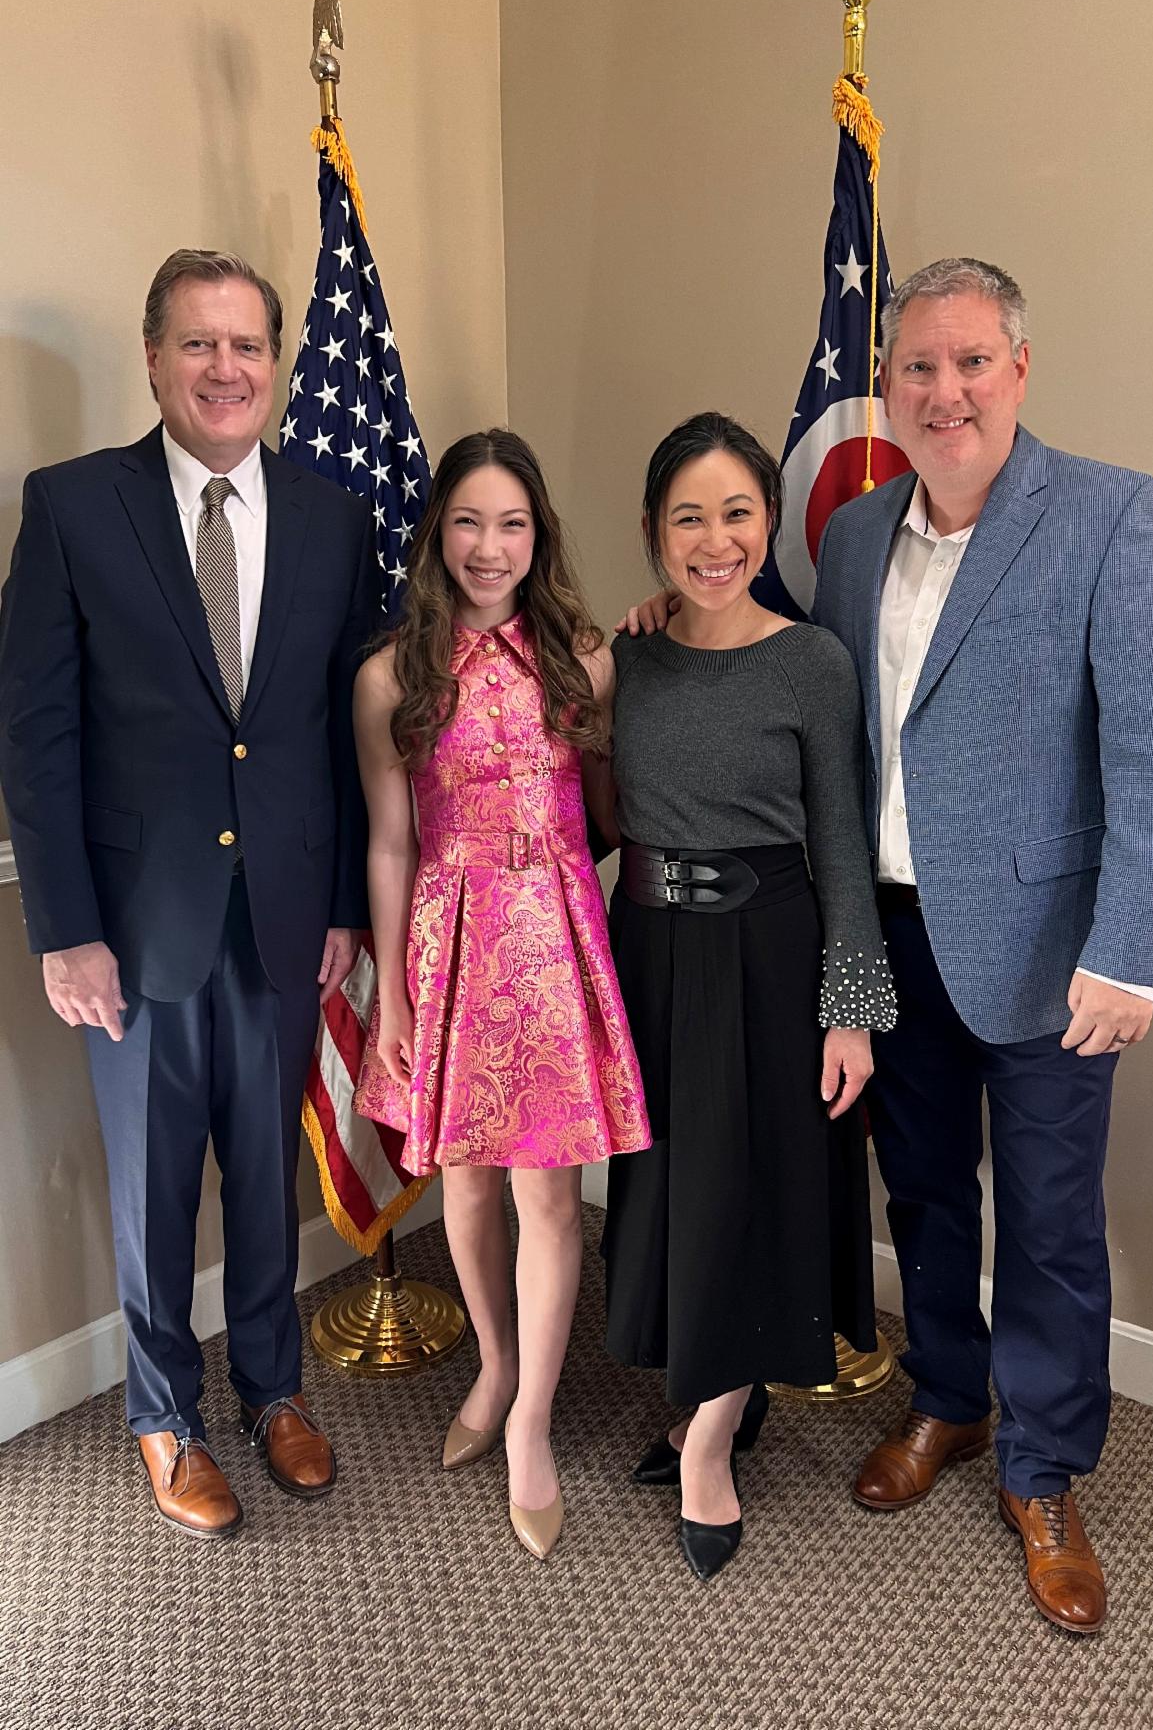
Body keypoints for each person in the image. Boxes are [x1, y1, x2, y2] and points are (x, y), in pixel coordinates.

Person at [623, 260, 1153, 1630]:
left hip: (1053, 952)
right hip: (887, 937)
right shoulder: (862, 531)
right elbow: (792, 697)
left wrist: (1132, 952)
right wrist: (667, 621)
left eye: (971, 363)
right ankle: (950, 1400)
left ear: (1018, 368)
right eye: (919, 367)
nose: (944, 391)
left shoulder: (1119, 518)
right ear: (889, 383)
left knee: (1051, 1225)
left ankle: (1046, 1468)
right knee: (926, 1195)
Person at [0, 250, 376, 1539]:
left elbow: (334, 727)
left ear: (276, 364)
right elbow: (35, 738)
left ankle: (274, 1388)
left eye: (248, 346)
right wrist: (65, 932)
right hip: (134, 927)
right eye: (200, 344)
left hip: (282, 917)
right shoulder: (71, 507)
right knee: (155, 1188)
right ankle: (165, 1415)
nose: (228, 368)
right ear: (153, 358)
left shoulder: (333, 517)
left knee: (267, 1174)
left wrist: (341, 907)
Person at [602, 412, 895, 1582]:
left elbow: (843, 840)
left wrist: (852, 1006)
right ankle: (705, 1386)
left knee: (742, 1192)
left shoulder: (812, 661)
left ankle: (712, 1435)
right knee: (670, 1186)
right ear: (652, 533)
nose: (715, 539)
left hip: (770, 950)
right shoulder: (621, 657)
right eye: (689, 517)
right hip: (648, 948)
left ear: (770, 522)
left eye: (737, 513)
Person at [351, 428, 651, 1562]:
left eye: (512, 523)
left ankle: (531, 1424)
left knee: (549, 1200)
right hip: (448, 939)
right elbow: (389, 843)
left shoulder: (585, 656)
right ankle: (499, 1362)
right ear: (438, 533)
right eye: (469, 522)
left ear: (540, 535)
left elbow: (619, 811)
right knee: (466, 1192)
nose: (489, 546)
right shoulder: (393, 674)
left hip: (557, 939)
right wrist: (392, 1000)